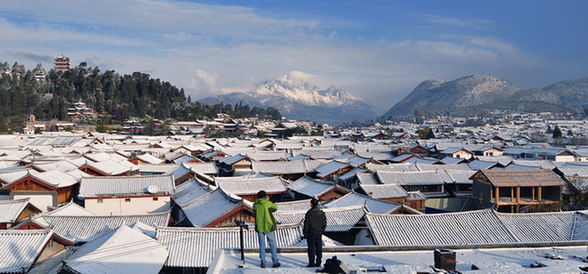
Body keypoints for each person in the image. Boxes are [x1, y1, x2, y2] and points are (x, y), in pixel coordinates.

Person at [253, 190, 280, 268]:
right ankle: (275, 261)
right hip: (269, 226)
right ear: (265, 196)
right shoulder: (267, 203)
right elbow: (275, 208)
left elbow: (254, 210)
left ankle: (263, 262)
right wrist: (267, 200)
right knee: (272, 244)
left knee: (262, 245)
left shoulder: (255, 204)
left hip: (260, 226)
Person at [303, 197, 327, 267]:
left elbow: (306, 224)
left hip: (311, 233)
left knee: (311, 249)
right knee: (319, 248)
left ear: (311, 204)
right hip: (319, 233)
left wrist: (305, 232)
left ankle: (311, 263)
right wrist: (322, 230)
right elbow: (324, 223)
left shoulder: (309, 213)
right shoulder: (321, 213)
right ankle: (318, 262)